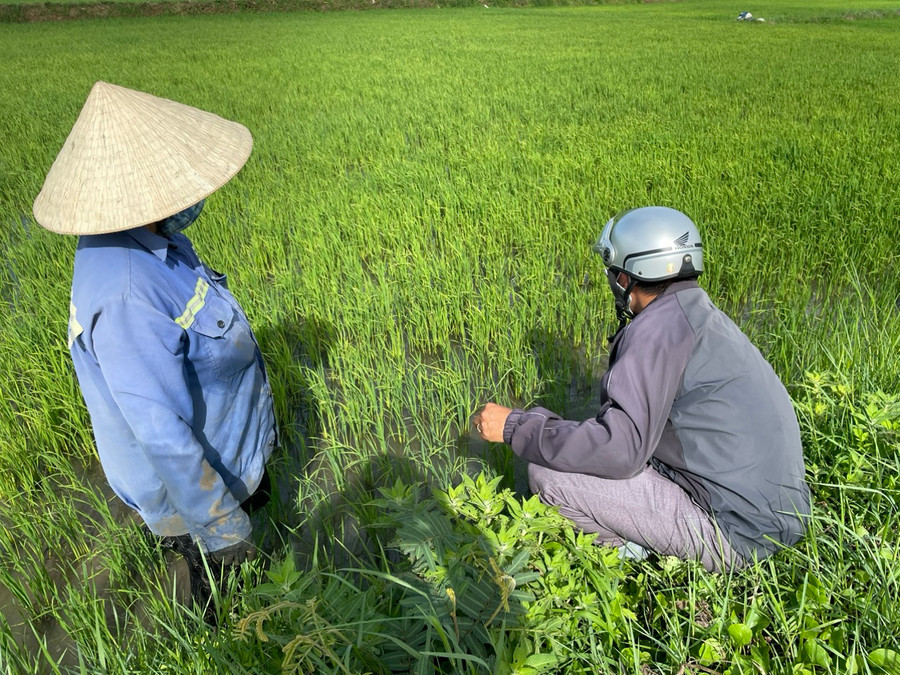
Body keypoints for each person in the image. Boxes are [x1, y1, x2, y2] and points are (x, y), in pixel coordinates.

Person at [32, 81, 277, 614]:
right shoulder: (125, 294)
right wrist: (222, 528)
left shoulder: (150, 236)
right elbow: (161, 434)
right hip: (193, 488)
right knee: (226, 592)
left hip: (224, 452)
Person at [473, 206, 810, 572]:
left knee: (548, 474)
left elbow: (620, 451)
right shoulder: (698, 313)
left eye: (612, 272)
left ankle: (631, 563)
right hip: (781, 517)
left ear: (626, 279)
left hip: (736, 536)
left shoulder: (655, 333)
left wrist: (516, 426)